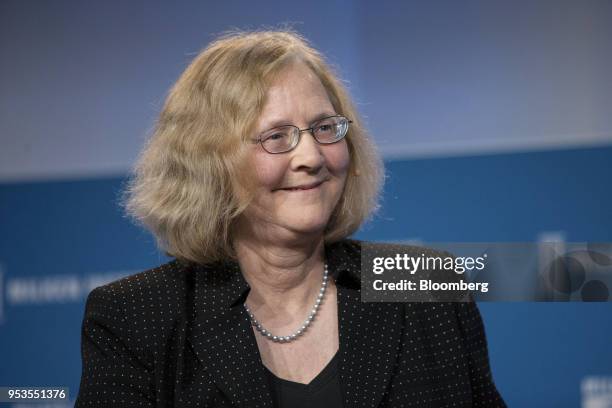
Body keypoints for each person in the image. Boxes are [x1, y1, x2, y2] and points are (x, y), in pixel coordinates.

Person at [75, 30, 505, 407]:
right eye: (277, 136)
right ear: (210, 164)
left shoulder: (425, 283)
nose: (312, 157)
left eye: (324, 128)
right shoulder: (135, 315)